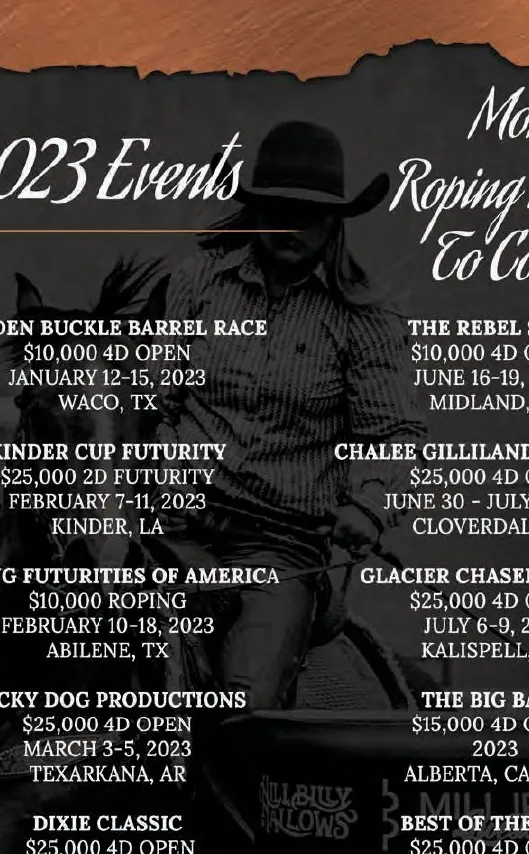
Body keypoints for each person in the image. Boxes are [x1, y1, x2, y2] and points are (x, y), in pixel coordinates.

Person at [160, 119, 425, 709]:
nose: (291, 227)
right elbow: (160, 400)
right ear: (254, 211)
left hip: (278, 546)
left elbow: (394, 433)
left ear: (335, 222)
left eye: (308, 215)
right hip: (171, 525)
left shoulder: (365, 318)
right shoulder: (197, 283)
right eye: (278, 211)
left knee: (245, 708)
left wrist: (369, 506)